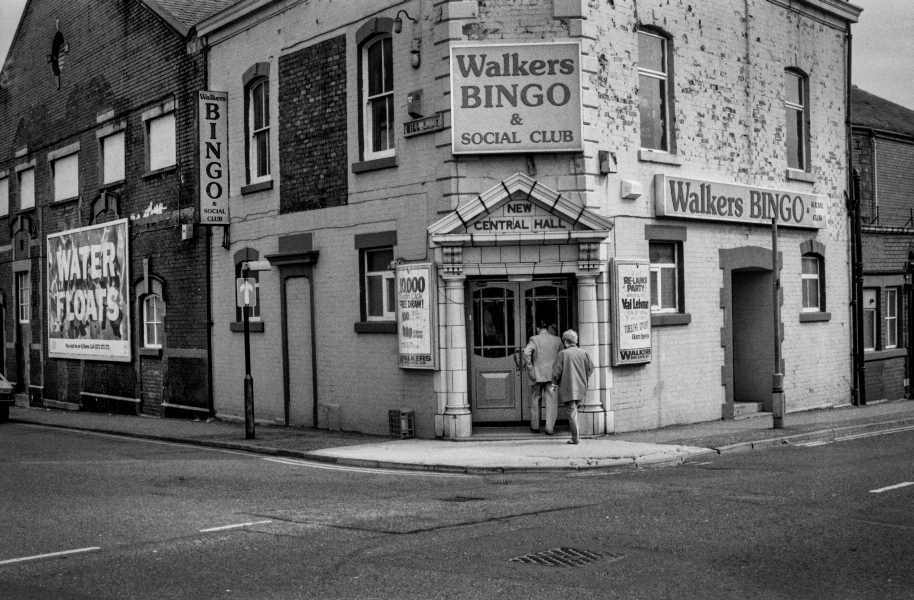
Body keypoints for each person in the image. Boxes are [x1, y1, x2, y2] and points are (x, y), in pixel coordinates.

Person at [551, 329, 594, 444]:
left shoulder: (563, 354)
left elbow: (556, 372)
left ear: (565, 341)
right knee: (574, 411)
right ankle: (576, 436)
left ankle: (575, 438)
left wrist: (554, 383)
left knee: (571, 412)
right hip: (581, 387)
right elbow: (591, 368)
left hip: (568, 387)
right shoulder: (584, 353)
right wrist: (583, 377)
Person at [523, 322, 564, 434]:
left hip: (537, 374)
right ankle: (549, 428)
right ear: (547, 328)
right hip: (552, 375)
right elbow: (562, 356)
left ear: (538, 329)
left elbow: (527, 352)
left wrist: (530, 367)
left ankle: (535, 427)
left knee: (535, 399)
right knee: (552, 401)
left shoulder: (534, 339)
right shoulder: (557, 340)